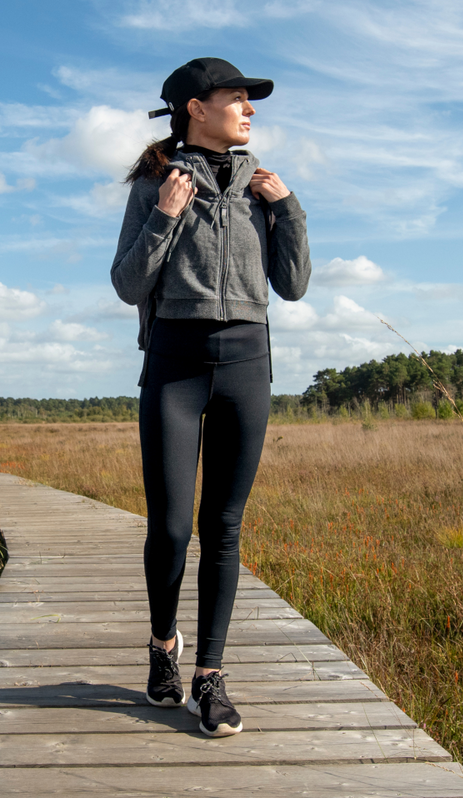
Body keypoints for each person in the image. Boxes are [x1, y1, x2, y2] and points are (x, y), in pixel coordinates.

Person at [110, 57, 311, 737]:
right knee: (169, 527)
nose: (250, 111)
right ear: (196, 107)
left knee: (223, 528)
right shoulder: (157, 183)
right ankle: (164, 645)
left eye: (251, 103)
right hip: (174, 364)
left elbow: (295, 286)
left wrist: (289, 210)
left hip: (249, 362)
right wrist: (166, 216)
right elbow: (128, 284)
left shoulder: (262, 186)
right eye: (238, 99)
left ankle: (210, 677)